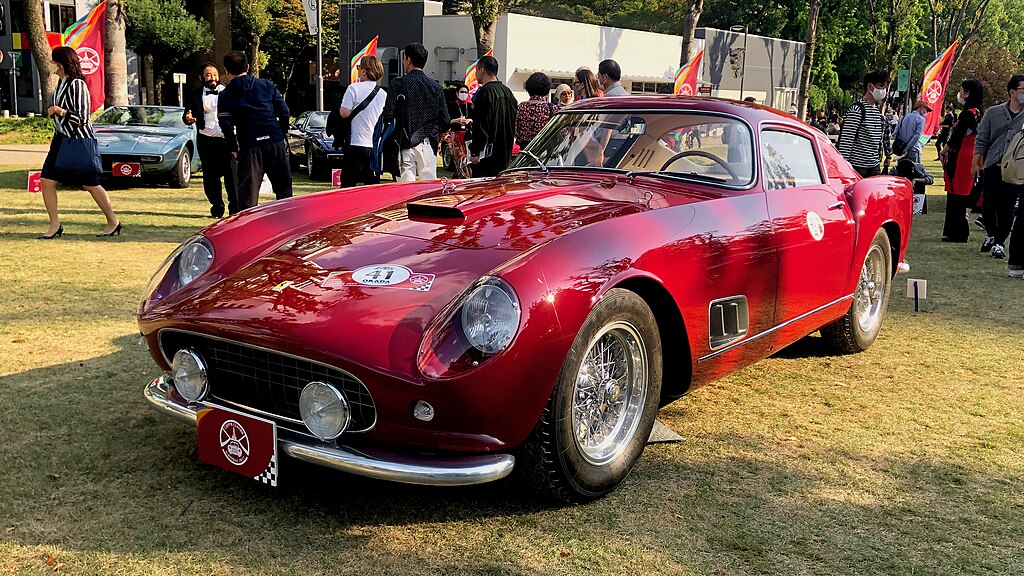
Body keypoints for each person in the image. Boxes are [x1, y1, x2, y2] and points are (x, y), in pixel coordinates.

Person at [37, 46, 121, 239]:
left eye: (52, 60)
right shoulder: (61, 83)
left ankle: (112, 220)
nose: (50, 64)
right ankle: (54, 224)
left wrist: (59, 111)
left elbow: (83, 118)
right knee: (47, 180)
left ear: (59, 63)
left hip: (79, 140)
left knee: (90, 183)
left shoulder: (77, 85)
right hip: (61, 138)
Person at [217, 51, 291, 210]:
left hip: (249, 144)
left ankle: (248, 230)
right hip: (274, 139)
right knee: (284, 190)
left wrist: (233, 147)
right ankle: (287, 226)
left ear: (226, 70)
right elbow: (284, 112)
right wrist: (281, 134)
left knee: (248, 195)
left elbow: (226, 125)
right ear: (248, 67)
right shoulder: (266, 85)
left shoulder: (225, 94)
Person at [973, 74, 1024, 259]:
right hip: (993, 164)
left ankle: (1000, 242)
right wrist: (976, 162)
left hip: (1015, 169)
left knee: (1008, 206)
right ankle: (991, 233)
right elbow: (982, 139)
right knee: (988, 206)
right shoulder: (993, 113)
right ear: (1012, 92)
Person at [383, 42, 449, 182]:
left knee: (405, 190)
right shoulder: (436, 87)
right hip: (428, 142)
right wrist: (434, 133)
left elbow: (388, 114)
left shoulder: (398, 83)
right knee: (429, 189)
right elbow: (445, 119)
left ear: (408, 60)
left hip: (405, 142)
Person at [183, 62, 237, 217]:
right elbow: (187, 115)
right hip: (206, 140)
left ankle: (235, 209)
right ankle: (217, 208)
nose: (212, 78)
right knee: (210, 177)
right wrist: (188, 119)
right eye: (208, 75)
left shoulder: (229, 92)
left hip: (227, 140)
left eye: (214, 74)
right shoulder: (194, 94)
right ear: (201, 77)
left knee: (232, 176)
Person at [940, 79, 985, 243]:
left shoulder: (969, 114)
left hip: (962, 155)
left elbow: (957, 136)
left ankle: (958, 232)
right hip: (970, 154)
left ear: (967, 93)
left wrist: (944, 150)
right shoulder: (979, 112)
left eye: (961, 90)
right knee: (959, 193)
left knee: (957, 194)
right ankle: (953, 230)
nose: (959, 93)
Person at [339, 55, 387, 187]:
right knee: (371, 185)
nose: (358, 70)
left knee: (348, 184)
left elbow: (344, 113)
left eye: (359, 68)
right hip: (373, 145)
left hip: (354, 143)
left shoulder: (353, 88)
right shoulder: (383, 94)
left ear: (364, 71)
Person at [836, 71, 892, 177]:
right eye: (880, 86)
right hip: (856, 167)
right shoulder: (857, 110)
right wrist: (844, 168)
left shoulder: (878, 113)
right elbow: (846, 141)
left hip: (874, 166)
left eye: (885, 87)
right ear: (870, 86)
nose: (883, 90)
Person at [469, 55, 517, 177]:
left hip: (487, 157)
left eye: (476, 70)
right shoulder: (508, 92)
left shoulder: (485, 92)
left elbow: (481, 125)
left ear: (481, 70)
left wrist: (475, 152)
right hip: (505, 152)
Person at [515, 72, 555, 147]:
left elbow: (516, 132)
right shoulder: (550, 108)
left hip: (525, 151)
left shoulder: (521, 107)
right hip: (543, 150)